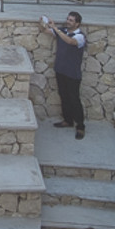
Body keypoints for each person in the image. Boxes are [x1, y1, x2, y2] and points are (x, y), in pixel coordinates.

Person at [40, 11, 86, 139]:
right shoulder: (62, 31)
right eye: (68, 19)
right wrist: (43, 23)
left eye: (71, 20)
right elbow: (46, 31)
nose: (68, 21)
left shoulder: (80, 36)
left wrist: (55, 28)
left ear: (77, 23)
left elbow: (71, 42)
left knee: (74, 100)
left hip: (72, 73)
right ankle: (68, 120)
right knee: (64, 96)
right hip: (61, 70)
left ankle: (80, 126)